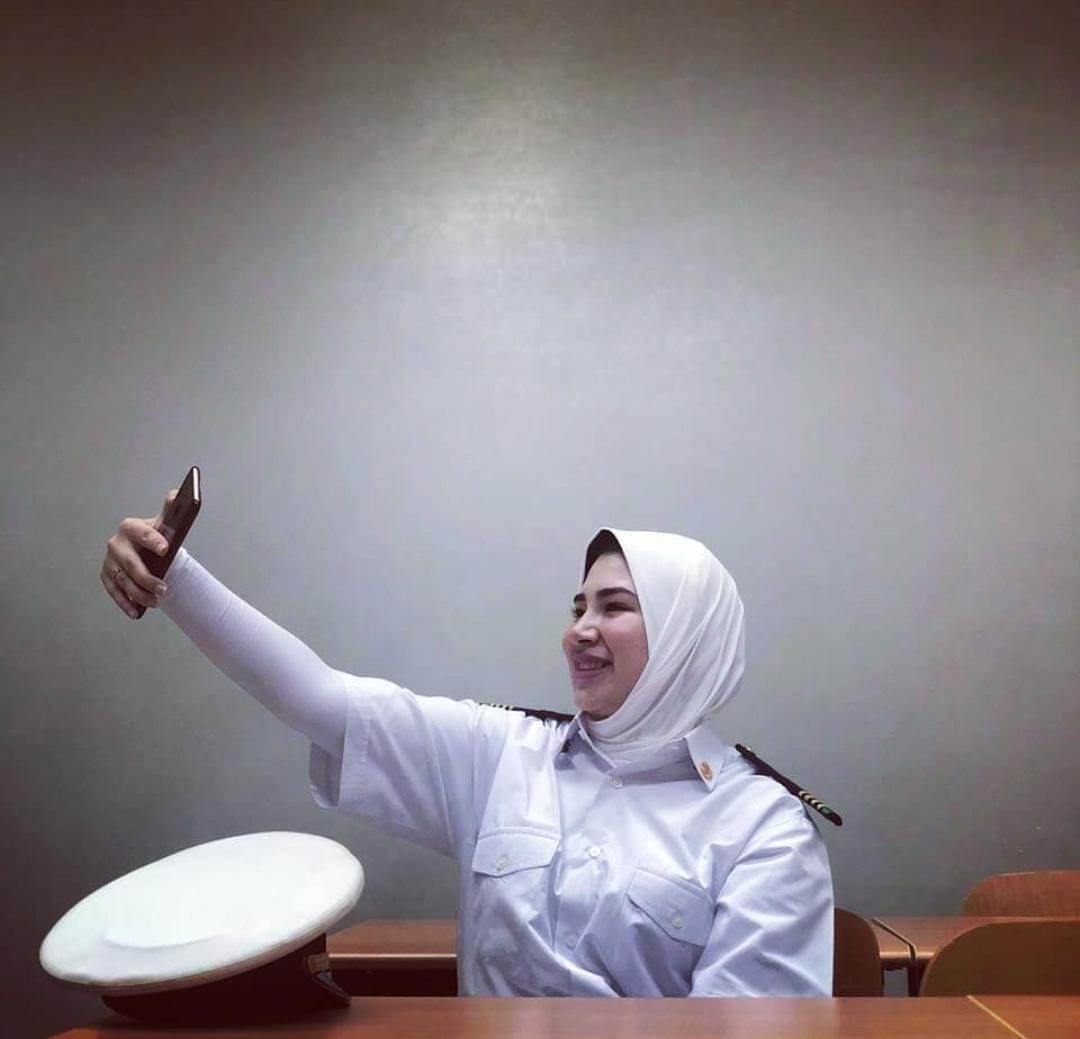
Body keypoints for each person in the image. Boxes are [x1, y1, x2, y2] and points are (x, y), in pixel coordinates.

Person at [100, 489, 834, 997]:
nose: (579, 630)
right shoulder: (503, 753)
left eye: (615, 607)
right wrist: (176, 577)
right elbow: (319, 699)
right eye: (577, 606)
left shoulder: (763, 827)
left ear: (687, 639)